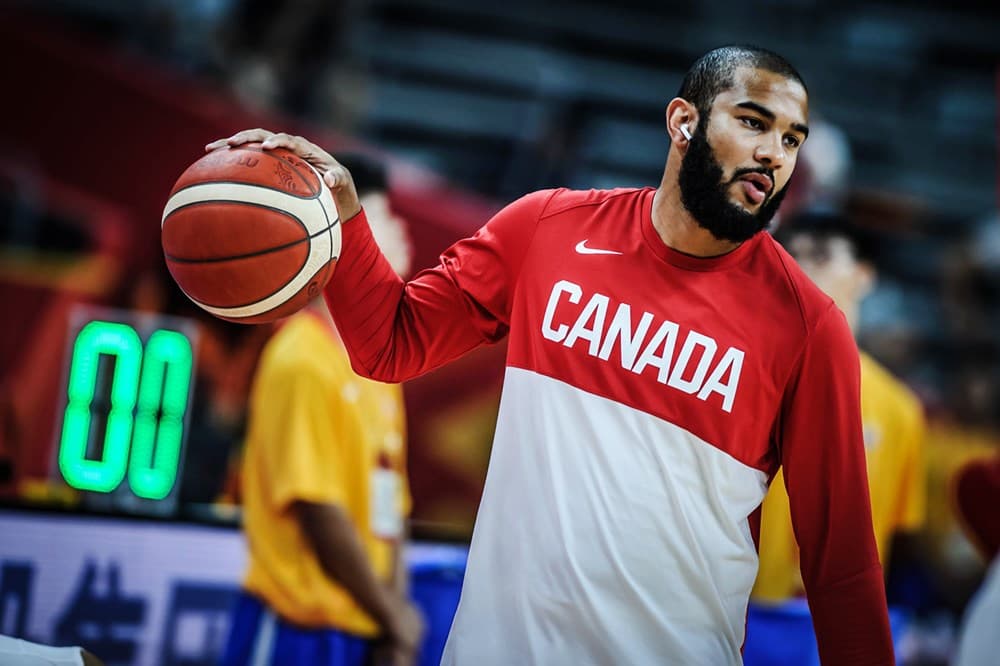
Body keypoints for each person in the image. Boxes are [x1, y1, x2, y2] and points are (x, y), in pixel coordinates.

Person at [209, 45, 895, 664]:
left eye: (791, 139)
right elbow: (391, 344)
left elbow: (842, 570)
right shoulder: (547, 230)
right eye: (752, 122)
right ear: (683, 121)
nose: (774, 153)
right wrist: (346, 217)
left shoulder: (809, 328)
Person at [219, 153, 424, 666]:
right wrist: (393, 616)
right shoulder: (300, 357)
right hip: (294, 629)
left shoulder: (380, 364)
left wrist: (390, 621)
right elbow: (316, 508)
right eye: (379, 218)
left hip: (361, 625)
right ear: (338, 241)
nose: (400, 231)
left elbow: (390, 508)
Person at [753, 210, 927, 602]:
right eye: (791, 254)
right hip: (739, 612)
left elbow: (901, 541)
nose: (800, 267)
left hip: (833, 627)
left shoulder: (899, 409)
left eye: (821, 255)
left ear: (865, 275)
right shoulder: (745, 373)